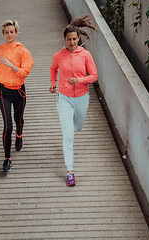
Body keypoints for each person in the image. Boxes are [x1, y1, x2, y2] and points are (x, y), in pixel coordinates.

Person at [49, 15, 98, 186]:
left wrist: (80, 80)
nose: (72, 42)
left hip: (82, 97)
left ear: (78, 39)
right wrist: (53, 83)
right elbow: (53, 68)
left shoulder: (85, 55)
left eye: (74, 39)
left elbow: (94, 76)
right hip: (64, 98)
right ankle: (70, 171)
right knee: (68, 134)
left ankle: (75, 125)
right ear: (65, 39)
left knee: (78, 127)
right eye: (69, 39)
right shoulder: (58, 56)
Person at [0, 20, 34, 172]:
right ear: (3, 34)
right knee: (7, 126)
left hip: (19, 91)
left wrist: (10, 64)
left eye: (12, 31)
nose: (9, 34)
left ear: (16, 33)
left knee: (18, 119)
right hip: (3, 91)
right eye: (6, 32)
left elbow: (25, 72)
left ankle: (20, 135)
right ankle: (7, 159)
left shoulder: (23, 51)